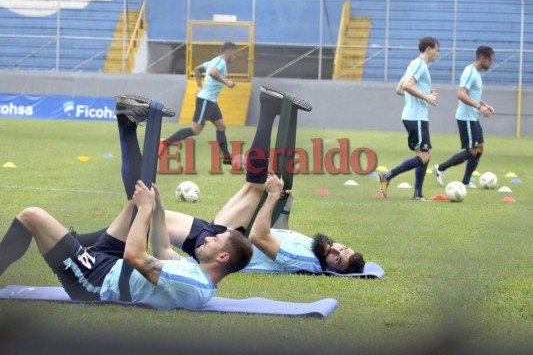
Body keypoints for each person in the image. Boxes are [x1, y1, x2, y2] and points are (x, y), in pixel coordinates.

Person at [75, 87, 365, 275]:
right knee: (144, 213)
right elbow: (280, 232)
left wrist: (273, 197)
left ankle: (125, 123)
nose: (336, 250)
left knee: (143, 206)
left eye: (337, 259)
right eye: (343, 248)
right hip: (221, 233)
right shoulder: (314, 247)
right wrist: (283, 209)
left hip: (225, 242)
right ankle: (80, 242)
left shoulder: (307, 262)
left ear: (330, 269)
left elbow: (259, 238)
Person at [0, 95, 253, 310]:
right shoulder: (197, 272)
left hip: (94, 282)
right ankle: (127, 121)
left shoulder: (191, 286)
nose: (208, 237)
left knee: (31, 215)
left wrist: (146, 210)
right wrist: (156, 208)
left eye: (215, 240)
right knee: (139, 198)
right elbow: (163, 250)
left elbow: (134, 255)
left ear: (222, 256)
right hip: (112, 264)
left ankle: (128, 123)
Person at [379, 37, 440, 201]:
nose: (437, 54)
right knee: (423, 157)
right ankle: (387, 175)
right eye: (436, 49)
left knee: (426, 154)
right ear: (428, 49)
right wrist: (426, 97)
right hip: (416, 117)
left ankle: (417, 194)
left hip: (412, 116)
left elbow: (399, 89)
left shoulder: (413, 63)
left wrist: (424, 91)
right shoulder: (420, 65)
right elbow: (406, 86)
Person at [159, 41, 238, 164]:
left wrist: (200, 86)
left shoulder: (215, 60)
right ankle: (164, 143)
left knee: (221, 126)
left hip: (211, 101)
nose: (234, 57)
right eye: (234, 54)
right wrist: (226, 82)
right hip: (206, 100)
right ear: (228, 52)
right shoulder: (220, 62)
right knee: (195, 130)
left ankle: (227, 158)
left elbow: (197, 69)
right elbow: (212, 72)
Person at [432, 46, 495, 187]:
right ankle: (440, 168)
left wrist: (485, 104)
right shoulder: (470, 72)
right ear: (483, 58)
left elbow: (472, 94)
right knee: (472, 150)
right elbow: (461, 94)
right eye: (490, 60)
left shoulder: (477, 73)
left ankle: (466, 182)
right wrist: (480, 107)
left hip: (473, 117)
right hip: (466, 117)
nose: (491, 63)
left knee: (480, 148)